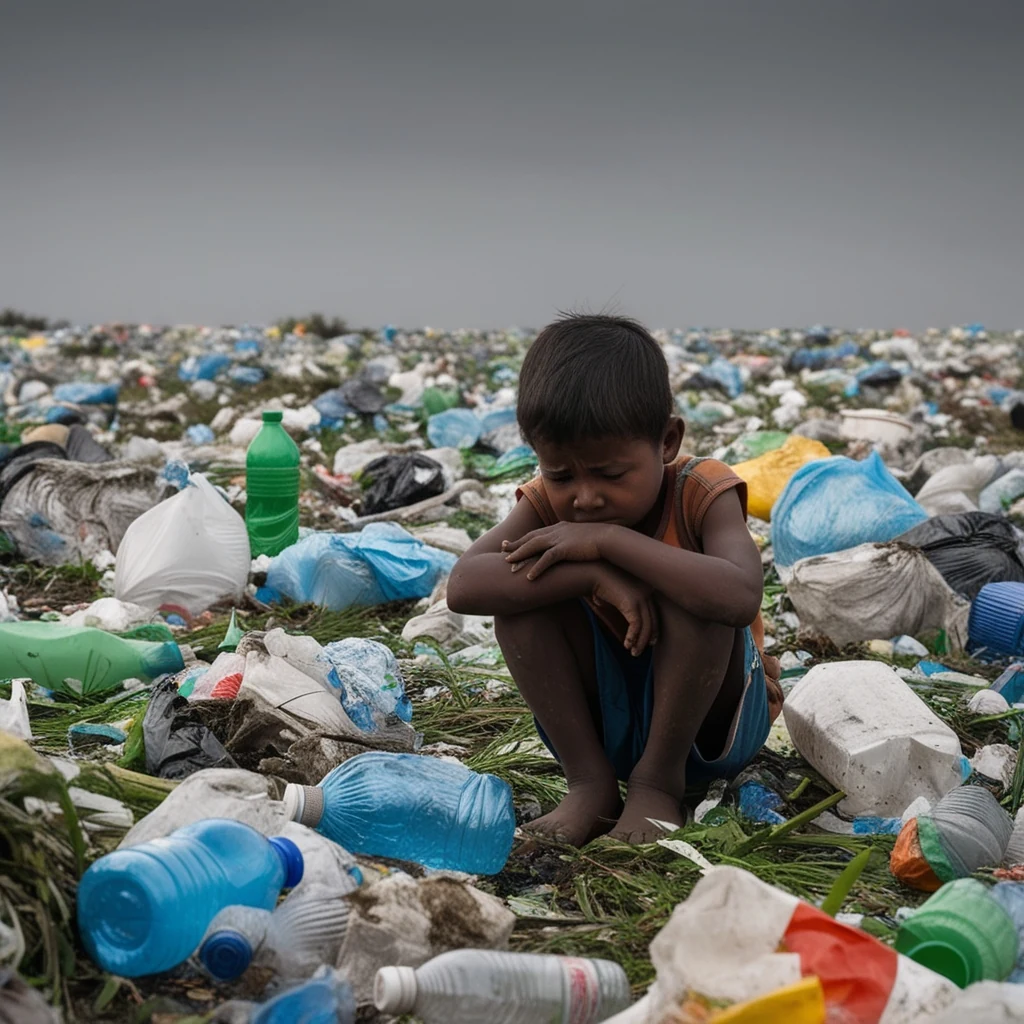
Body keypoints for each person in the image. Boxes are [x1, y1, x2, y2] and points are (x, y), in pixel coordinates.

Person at [446, 313, 782, 845]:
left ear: (667, 441)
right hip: (607, 726)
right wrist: (592, 576)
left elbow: (739, 595)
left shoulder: (700, 491)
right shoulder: (544, 505)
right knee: (519, 598)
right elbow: (464, 585)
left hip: (711, 726)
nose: (585, 498)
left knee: (696, 594)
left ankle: (657, 786)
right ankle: (590, 785)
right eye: (560, 475)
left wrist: (609, 542)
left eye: (610, 474)